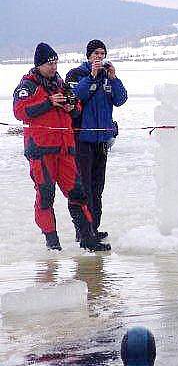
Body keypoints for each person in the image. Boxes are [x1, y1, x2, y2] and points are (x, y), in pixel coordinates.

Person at [13, 43, 109, 252]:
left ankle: (87, 238)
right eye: (49, 63)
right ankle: (52, 241)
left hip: (65, 150)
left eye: (55, 62)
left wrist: (71, 106)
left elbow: (76, 110)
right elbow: (20, 112)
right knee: (46, 196)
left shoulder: (60, 83)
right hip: (41, 151)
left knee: (79, 194)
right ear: (39, 64)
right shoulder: (27, 85)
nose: (53, 67)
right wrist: (48, 102)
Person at [66, 40, 128, 241]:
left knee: (97, 186)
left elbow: (120, 99)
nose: (99, 57)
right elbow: (76, 97)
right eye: (95, 53)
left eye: (102, 53)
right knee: (84, 187)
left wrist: (114, 78)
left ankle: (94, 227)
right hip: (83, 138)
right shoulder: (76, 74)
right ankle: (84, 231)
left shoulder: (107, 76)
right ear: (88, 56)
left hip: (102, 139)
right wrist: (92, 77)